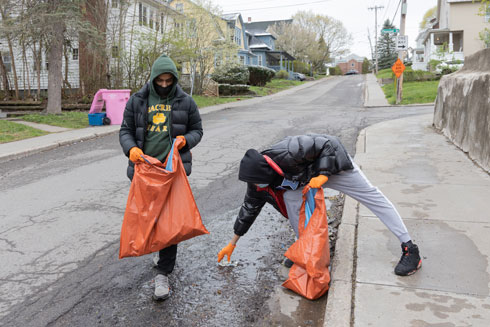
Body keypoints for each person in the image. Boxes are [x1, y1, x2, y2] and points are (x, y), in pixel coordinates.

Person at [217, 134, 421, 276]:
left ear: (266, 173)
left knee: (372, 197)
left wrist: (323, 175)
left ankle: (410, 249)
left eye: (255, 182)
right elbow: (249, 209)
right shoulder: (258, 182)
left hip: (332, 168)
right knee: (291, 199)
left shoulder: (289, 150)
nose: (254, 186)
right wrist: (233, 242)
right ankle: (307, 250)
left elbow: (329, 144)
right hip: (305, 178)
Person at [119, 54, 203, 300]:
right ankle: (158, 248)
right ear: (153, 78)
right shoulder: (138, 100)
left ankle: (163, 274)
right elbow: (125, 130)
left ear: (174, 79)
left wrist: (187, 140)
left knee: (169, 225)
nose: (165, 85)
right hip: (144, 172)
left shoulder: (186, 102)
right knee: (149, 219)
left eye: (169, 81)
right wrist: (131, 149)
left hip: (171, 173)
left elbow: (197, 129)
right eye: (161, 81)